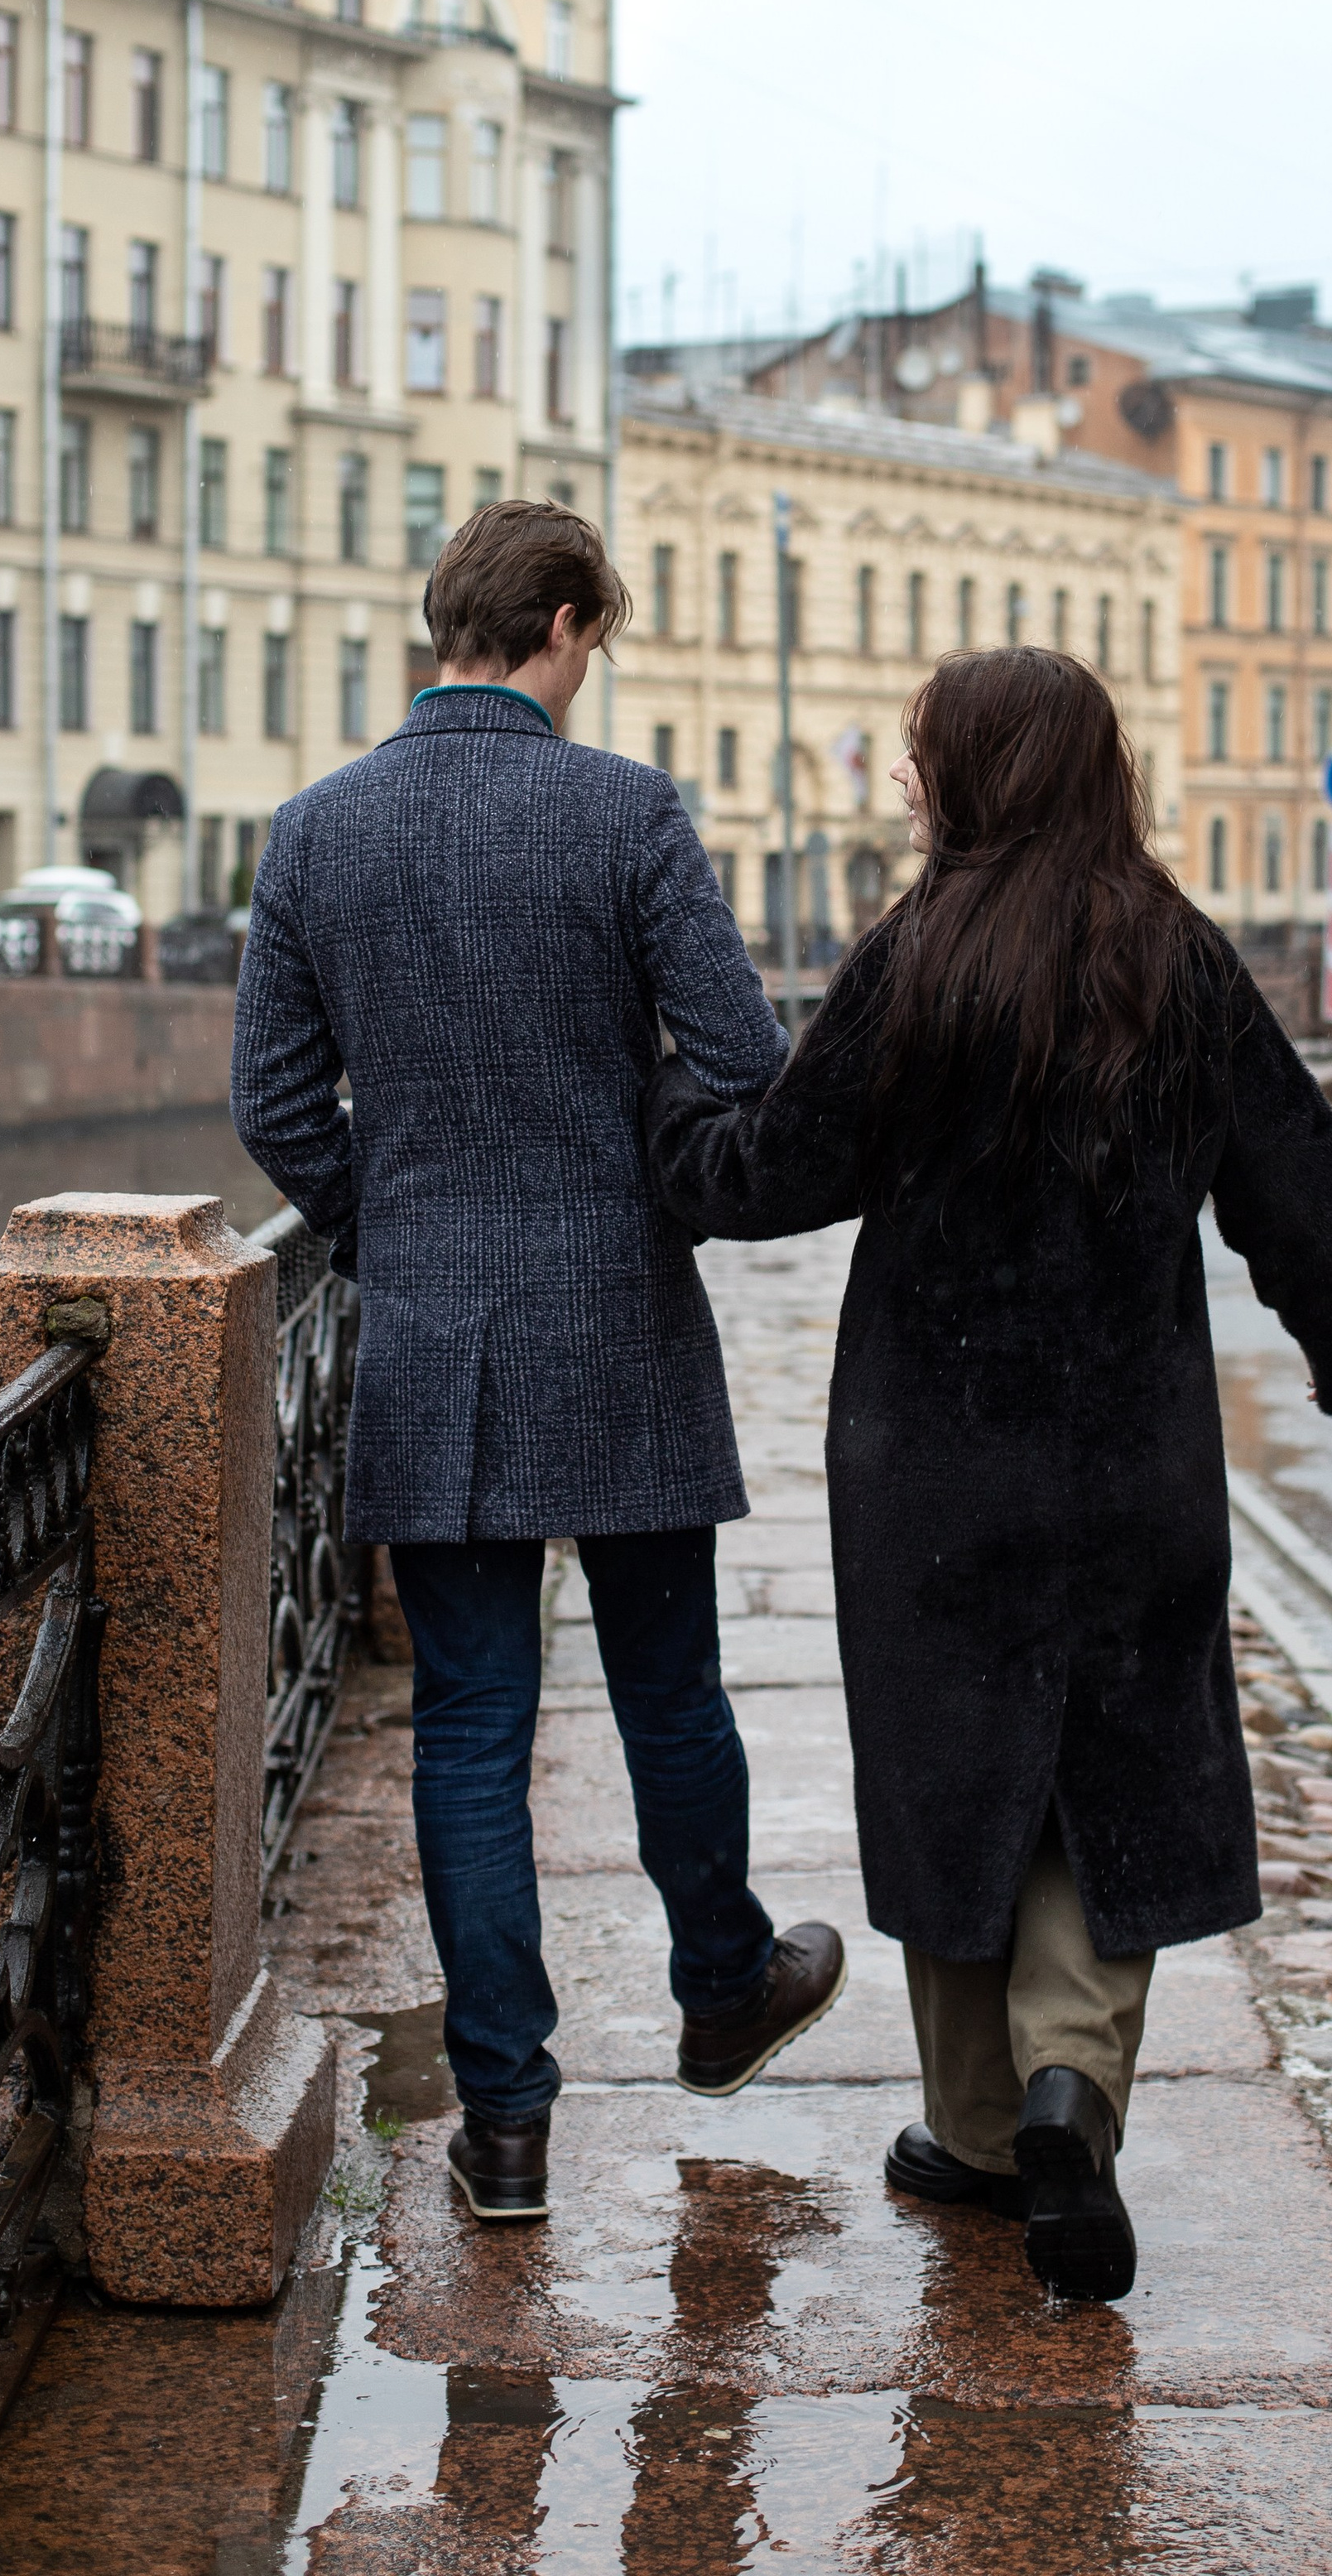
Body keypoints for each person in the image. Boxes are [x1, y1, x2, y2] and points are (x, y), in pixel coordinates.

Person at [642, 647, 1332, 2299]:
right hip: (1132, 1458)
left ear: (972, 772)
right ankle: (1070, 2089)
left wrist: (667, 1110)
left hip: (932, 1461)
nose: (906, 782)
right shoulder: (1175, 955)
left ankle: (977, 2133)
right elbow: (1294, 1179)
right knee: (1111, 1769)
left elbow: (769, 1171)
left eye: (921, 757)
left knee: (956, 1771)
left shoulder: (915, 957)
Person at [231, 501, 846, 2224]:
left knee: (471, 1725)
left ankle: (504, 2124)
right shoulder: (625, 811)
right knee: (667, 1694)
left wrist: (390, 1230)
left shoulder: (312, 835)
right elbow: (739, 1056)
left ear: (448, 628)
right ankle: (721, 1987)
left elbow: (276, 1108)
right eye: (598, 641)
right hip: (619, 1326)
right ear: (565, 626)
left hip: (433, 1335)